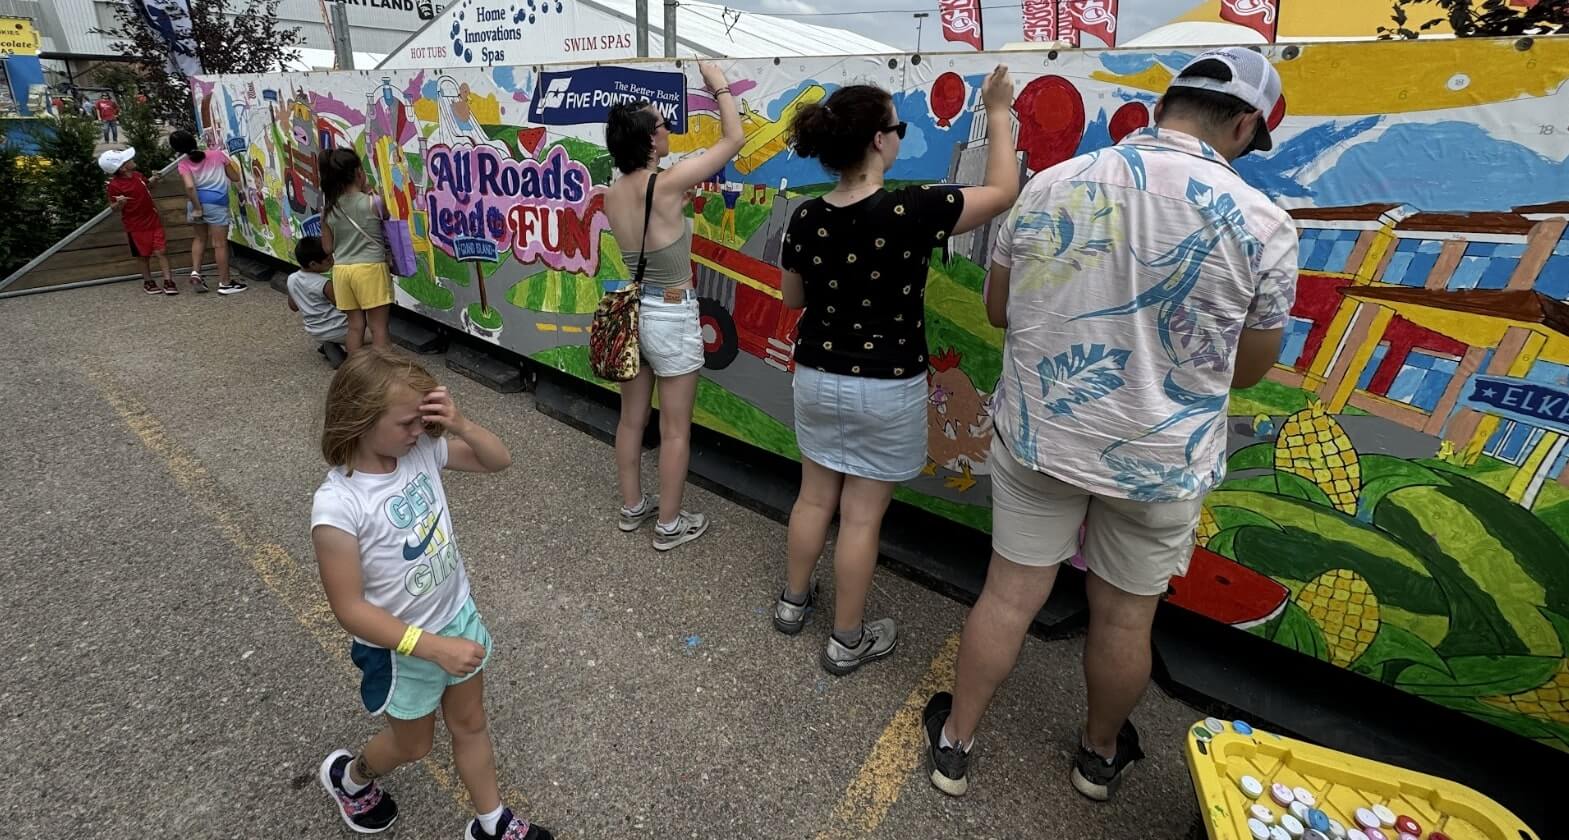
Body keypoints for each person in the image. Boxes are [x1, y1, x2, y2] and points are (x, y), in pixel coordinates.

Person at [922, 48, 1299, 802]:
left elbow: (999, 310)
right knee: (1126, 621)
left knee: (1008, 596)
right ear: (1244, 123)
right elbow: (1248, 370)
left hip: (1041, 438)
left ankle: (956, 746)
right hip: (1159, 459)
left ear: (1166, 106)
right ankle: (1097, 757)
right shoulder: (1265, 224)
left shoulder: (1049, 186)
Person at [772, 68, 1021, 675]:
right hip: (886, 387)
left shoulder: (805, 218)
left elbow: (792, 300)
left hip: (817, 376)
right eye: (897, 126)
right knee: (860, 516)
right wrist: (997, 111)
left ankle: (791, 604)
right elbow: (1003, 189)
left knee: (813, 497)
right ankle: (846, 640)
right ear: (880, 141)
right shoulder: (916, 208)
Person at [311, 348, 554, 840]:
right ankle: (350, 778)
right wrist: (433, 648)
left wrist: (461, 423)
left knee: (470, 723)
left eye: (422, 421)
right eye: (406, 423)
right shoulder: (339, 505)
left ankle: (492, 823)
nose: (417, 432)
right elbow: (349, 608)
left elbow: (497, 460)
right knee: (414, 745)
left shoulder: (420, 453)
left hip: (456, 617)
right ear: (359, 419)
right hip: (404, 650)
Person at [603, 61, 743, 551]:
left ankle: (632, 507)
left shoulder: (611, 196)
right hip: (671, 313)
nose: (668, 130)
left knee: (631, 420)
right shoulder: (665, 186)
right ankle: (668, 525)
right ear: (647, 142)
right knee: (675, 428)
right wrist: (719, 85)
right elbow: (734, 140)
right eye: (661, 125)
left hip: (633, 313)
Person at [320, 148, 393, 351]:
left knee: (354, 327)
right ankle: (381, 374)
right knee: (378, 327)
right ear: (359, 173)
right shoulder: (373, 202)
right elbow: (387, 219)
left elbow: (327, 247)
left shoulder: (329, 208)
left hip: (342, 271)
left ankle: (355, 373)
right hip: (370, 269)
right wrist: (369, 191)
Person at [169, 129, 247, 295]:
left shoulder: (183, 164)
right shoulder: (217, 155)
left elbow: (190, 186)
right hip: (216, 204)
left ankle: (196, 272)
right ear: (194, 141)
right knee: (219, 244)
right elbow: (234, 177)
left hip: (195, 204)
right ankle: (225, 283)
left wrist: (197, 207)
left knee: (199, 238)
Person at [100, 147, 177, 296]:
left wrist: (155, 179)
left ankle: (168, 280)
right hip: (135, 227)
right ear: (122, 168)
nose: (132, 160)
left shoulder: (138, 175)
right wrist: (120, 203)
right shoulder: (114, 186)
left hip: (153, 221)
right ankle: (148, 281)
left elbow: (147, 186)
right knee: (143, 256)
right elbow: (113, 207)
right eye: (128, 160)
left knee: (161, 251)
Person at [287, 235, 349, 369]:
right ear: (313, 264)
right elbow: (344, 307)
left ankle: (329, 344)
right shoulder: (324, 284)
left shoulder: (292, 278)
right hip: (338, 328)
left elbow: (293, 307)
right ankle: (343, 354)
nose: (332, 261)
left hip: (314, 330)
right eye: (328, 259)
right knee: (375, 337)